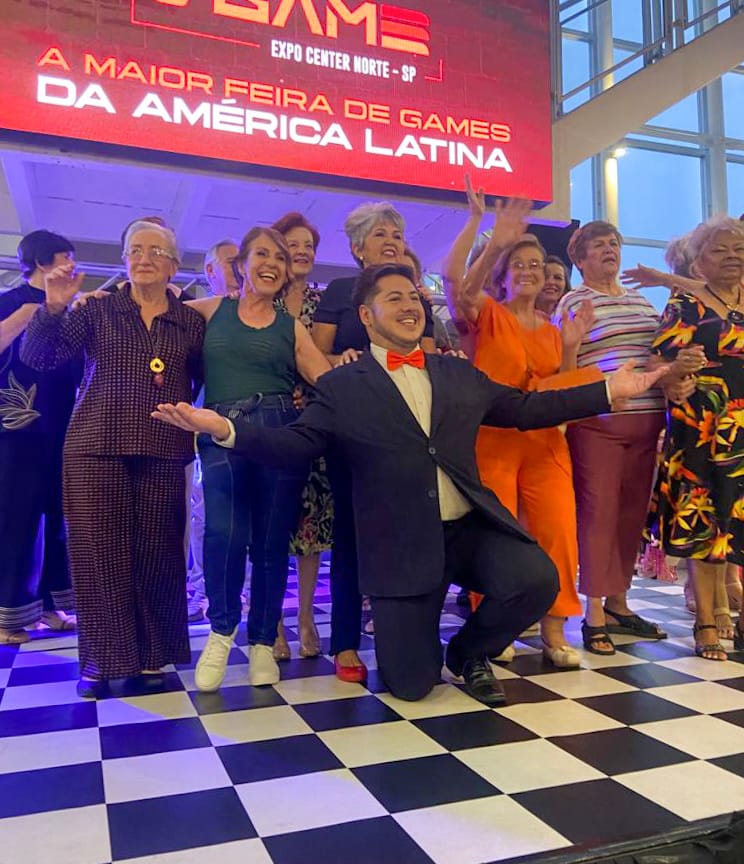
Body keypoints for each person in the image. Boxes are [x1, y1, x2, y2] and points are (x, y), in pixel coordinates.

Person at [152, 262, 668, 705]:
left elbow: (527, 408)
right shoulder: (343, 386)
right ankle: (424, 651)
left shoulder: (456, 373)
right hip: (402, 548)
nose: (410, 306)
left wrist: (607, 390)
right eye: (394, 298)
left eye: (414, 297)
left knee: (536, 578)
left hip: (466, 531)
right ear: (366, 315)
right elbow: (295, 443)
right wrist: (225, 429)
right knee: (411, 686)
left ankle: (467, 653)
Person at [21, 221, 204, 697]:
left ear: (173, 265)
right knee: (98, 557)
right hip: (94, 447)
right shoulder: (95, 309)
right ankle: (102, 662)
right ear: (124, 259)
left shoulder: (189, 322)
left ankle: (151, 656)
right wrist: (53, 306)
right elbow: (39, 357)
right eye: (135, 249)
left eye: (156, 250)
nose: (144, 258)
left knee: (159, 555)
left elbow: (205, 379)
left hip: (163, 448)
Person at [445, 198, 602, 667]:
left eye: (536, 264)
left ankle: (555, 631)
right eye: (520, 264)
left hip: (546, 447)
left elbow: (562, 392)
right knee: (497, 537)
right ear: (503, 274)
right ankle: (496, 627)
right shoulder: (488, 314)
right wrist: (493, 239)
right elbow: (457, 283)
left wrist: (570, 348)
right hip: (493, 443)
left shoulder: (554, 331)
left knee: (559, 534)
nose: (530, 271)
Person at [185, 227, 331, 691]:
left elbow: (327, 380)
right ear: (242, 264)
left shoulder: (292, 326)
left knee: (271, 542)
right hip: (219, 428)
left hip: (278, 430)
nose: (272, 263)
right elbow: (154, 314)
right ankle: (221, 633)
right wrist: (103, 298)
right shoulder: (211, 309)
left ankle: (264, 641)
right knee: (224, 532)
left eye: (280, 258)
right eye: (262, 254)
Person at [311, 202, 437, 682]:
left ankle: (405, 635)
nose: (391, 241)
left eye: (397, 234)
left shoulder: (415, 297)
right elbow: (316, 355)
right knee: (350, 536)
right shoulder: (340, 290)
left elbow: (428, 359)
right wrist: (342, 358)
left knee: (409, 533)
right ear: (357, 247)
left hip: (408, 428)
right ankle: (345, 642)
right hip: (354, 426)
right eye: (381, 234)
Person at [554, 221, 669, 655]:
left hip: (647, 423)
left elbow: (660, 351)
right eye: (599, 245)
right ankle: (595, 613)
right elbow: (564, 366)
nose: (610, 250)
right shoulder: (574, 300)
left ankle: (620, 603)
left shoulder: (642, 302)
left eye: (614, 243)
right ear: (579, 259)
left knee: (630, 516)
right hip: (598, 425)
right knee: (598, 514)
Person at [649, 215, 744, 661]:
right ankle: (706, 619)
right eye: (719, 250)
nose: (731, 257)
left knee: (739, 524)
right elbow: (657, 362)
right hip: (701, 430)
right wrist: (674, 374)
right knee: (704, 524)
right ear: (699, 261)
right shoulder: (686, 304)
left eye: (738, 249)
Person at [0, 230, 79, 643]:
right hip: (17, 429)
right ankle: (7, 615)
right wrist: (35, 311)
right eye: (65, 257)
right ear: (41, 261)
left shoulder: (71, 309)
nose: (72, 266)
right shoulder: (11, 301)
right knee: (16, 520)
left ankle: (49, 606)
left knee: (56, 518)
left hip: (63, 426)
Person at [270, 211, 333, 661]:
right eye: (293, 244)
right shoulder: (258, 301)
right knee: (272, 525)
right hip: (270, 423)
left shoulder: (324, 304)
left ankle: (306, 616)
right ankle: (272, 620)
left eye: (309, 245)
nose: (302, 252)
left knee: (312, 528)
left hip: (316, 422)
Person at [186, 239, 240, 624]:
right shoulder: (197, 315)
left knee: (243, 510)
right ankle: (202, 588)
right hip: (203, 423)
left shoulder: (260, 313)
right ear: (210, 270)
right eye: (231, 262)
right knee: (203, 512)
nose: (239, 269)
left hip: (248, 428)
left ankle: (240, 590)